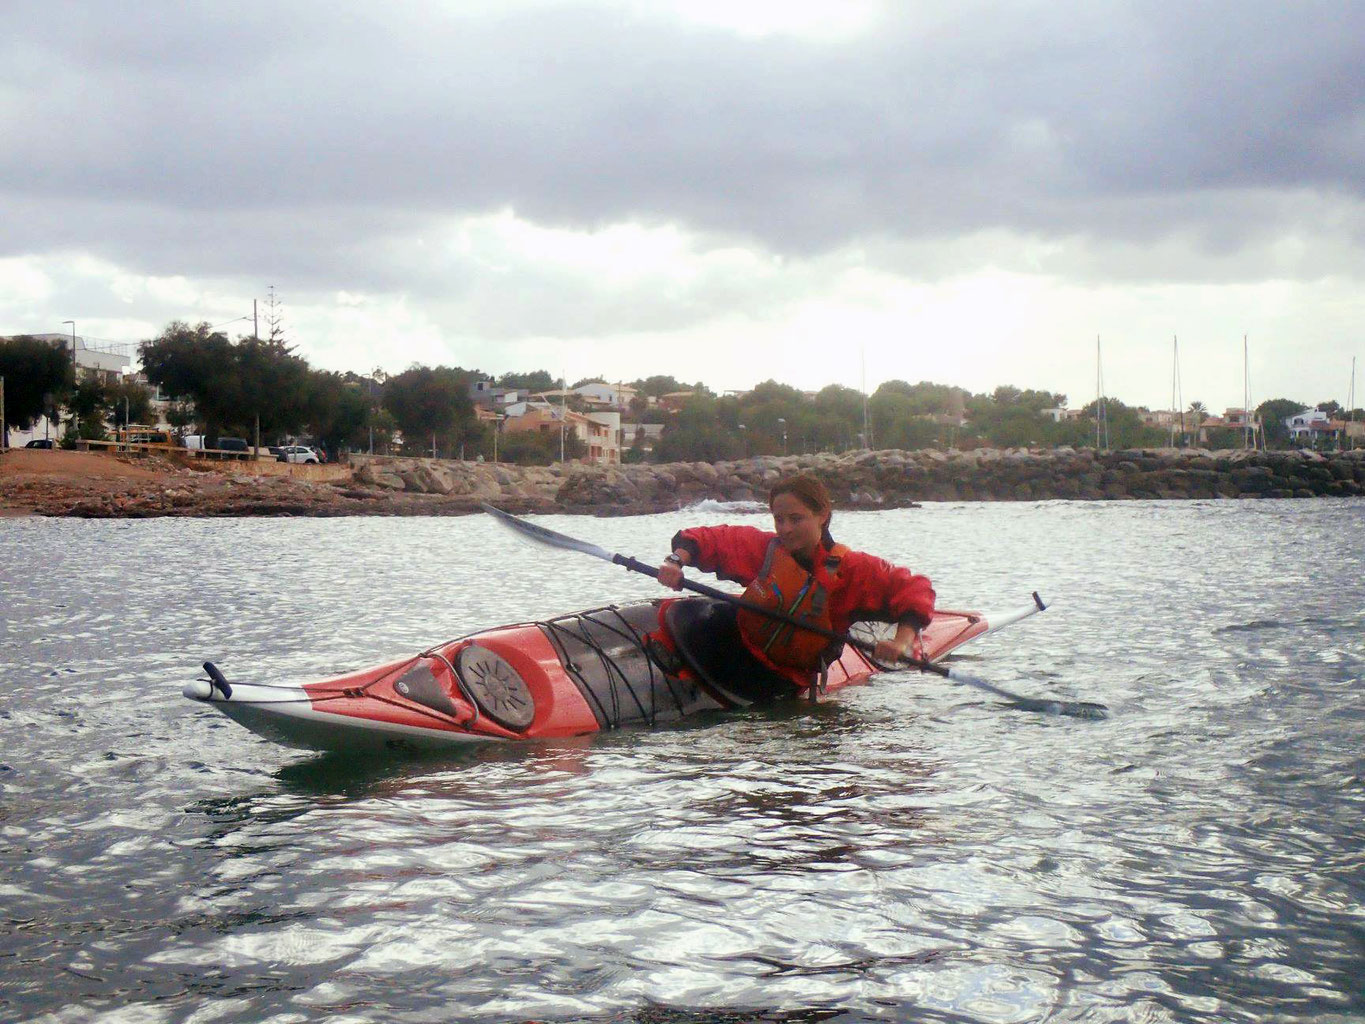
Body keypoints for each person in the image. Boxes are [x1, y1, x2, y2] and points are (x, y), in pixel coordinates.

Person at [657, 473, 935, 696]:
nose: (785, 529)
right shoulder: (765, 549)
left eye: (796, 519)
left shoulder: (852, 569)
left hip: (781, 678)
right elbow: (709, 539)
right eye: (779, 519)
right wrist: (675, 561)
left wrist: (901, 641)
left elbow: (915, 588)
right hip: (734, 646)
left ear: (822, 515)